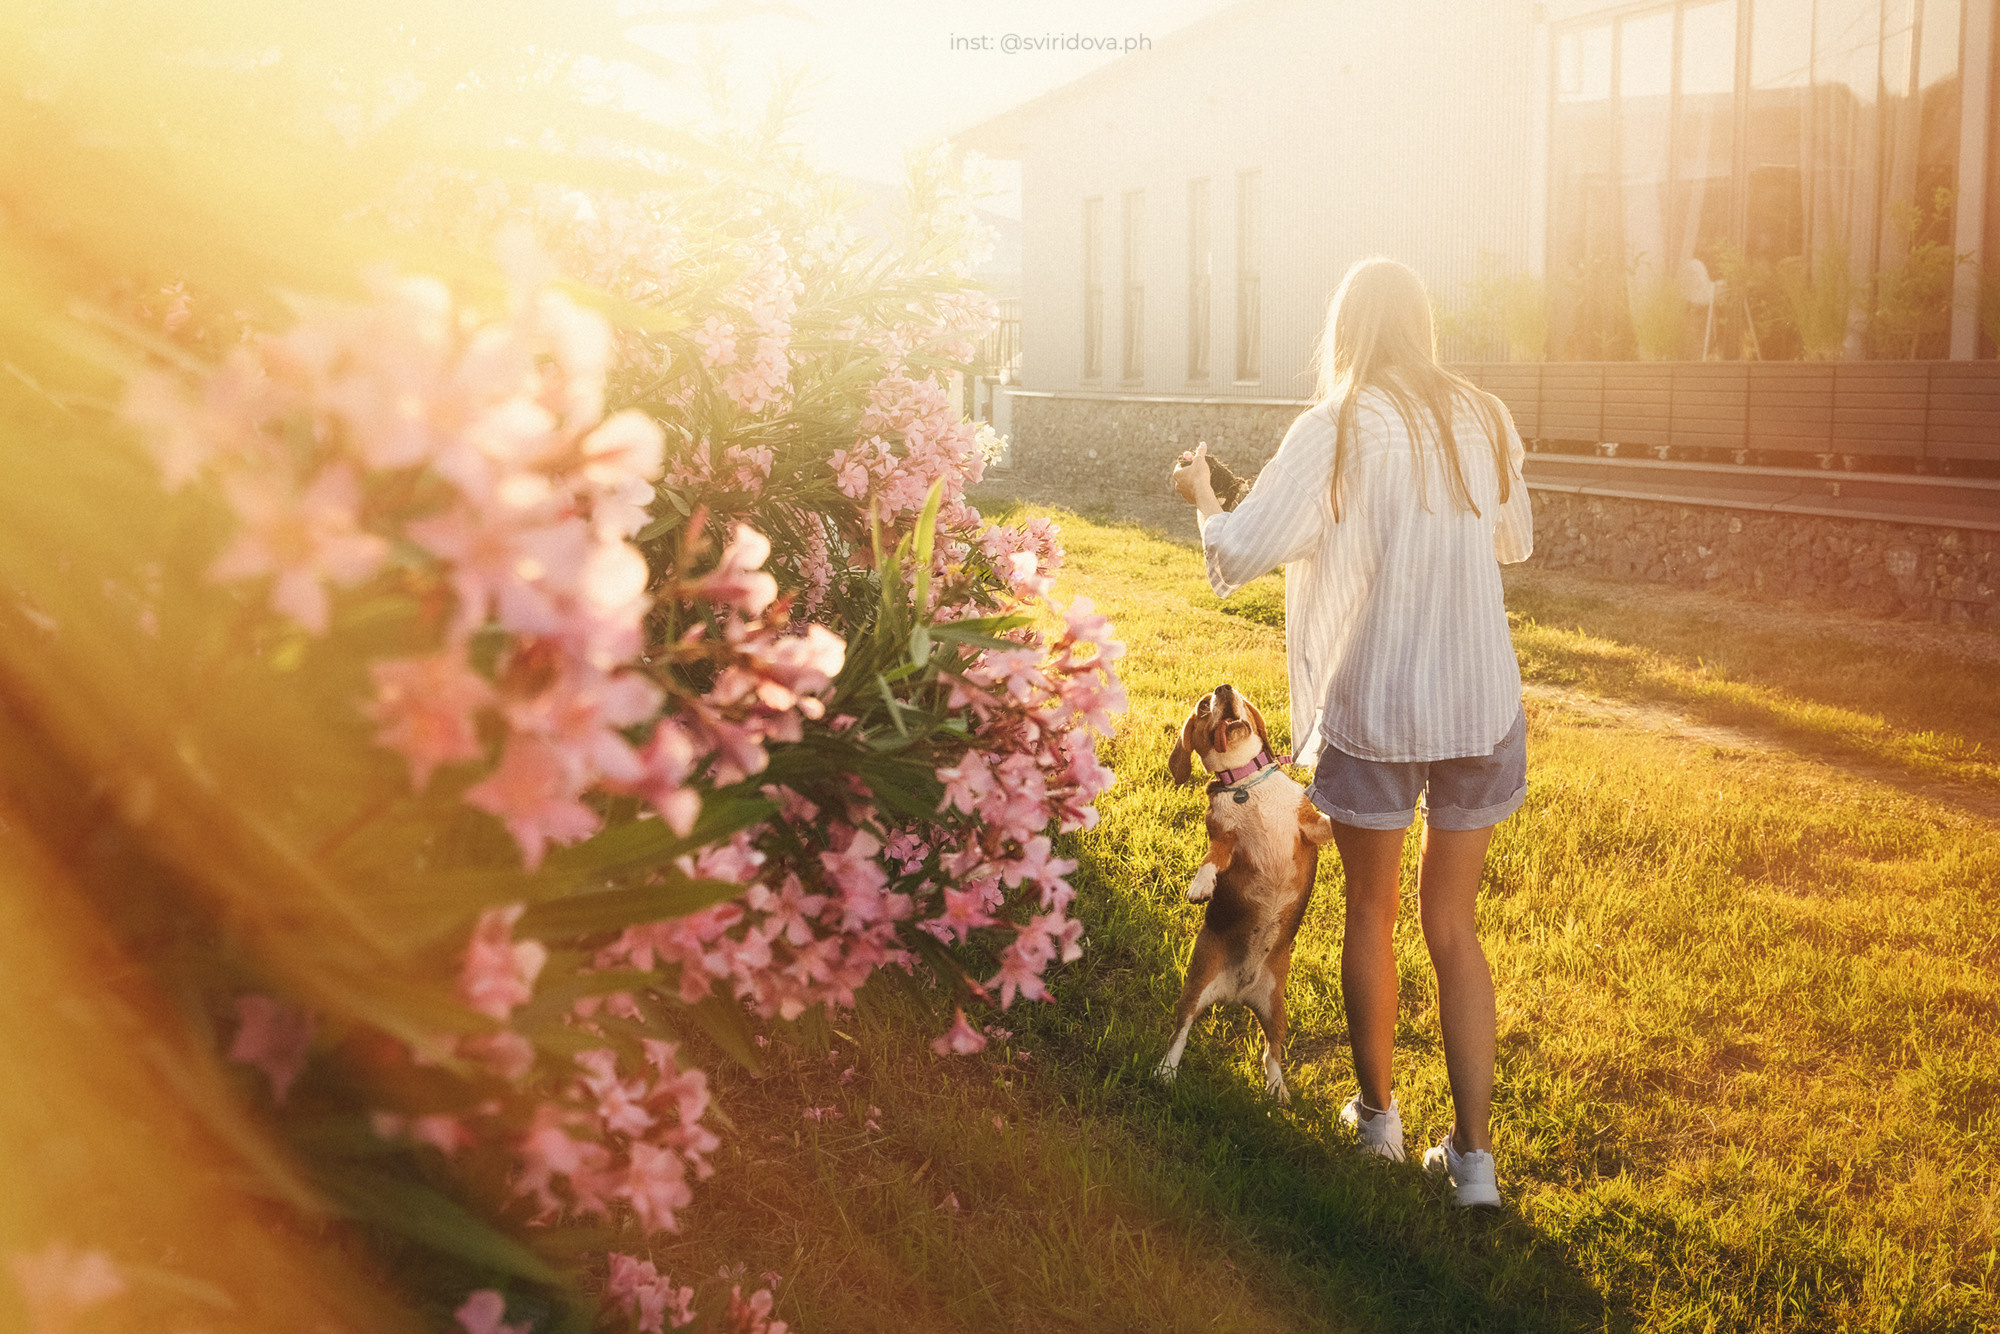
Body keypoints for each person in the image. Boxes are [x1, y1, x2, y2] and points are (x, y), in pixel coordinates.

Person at [1170, 257, 1533, 1208]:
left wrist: (1209, 501)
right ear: (1424, 326)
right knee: (1453, 925)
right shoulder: (1485, 415)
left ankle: (1379, 1127)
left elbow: (1243, 550)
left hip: (1378, 707)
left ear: (1346, 330)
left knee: (1370, 912)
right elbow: (1512, 538)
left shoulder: (1333, 427)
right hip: (1477, 700)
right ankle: (1476, 1169)